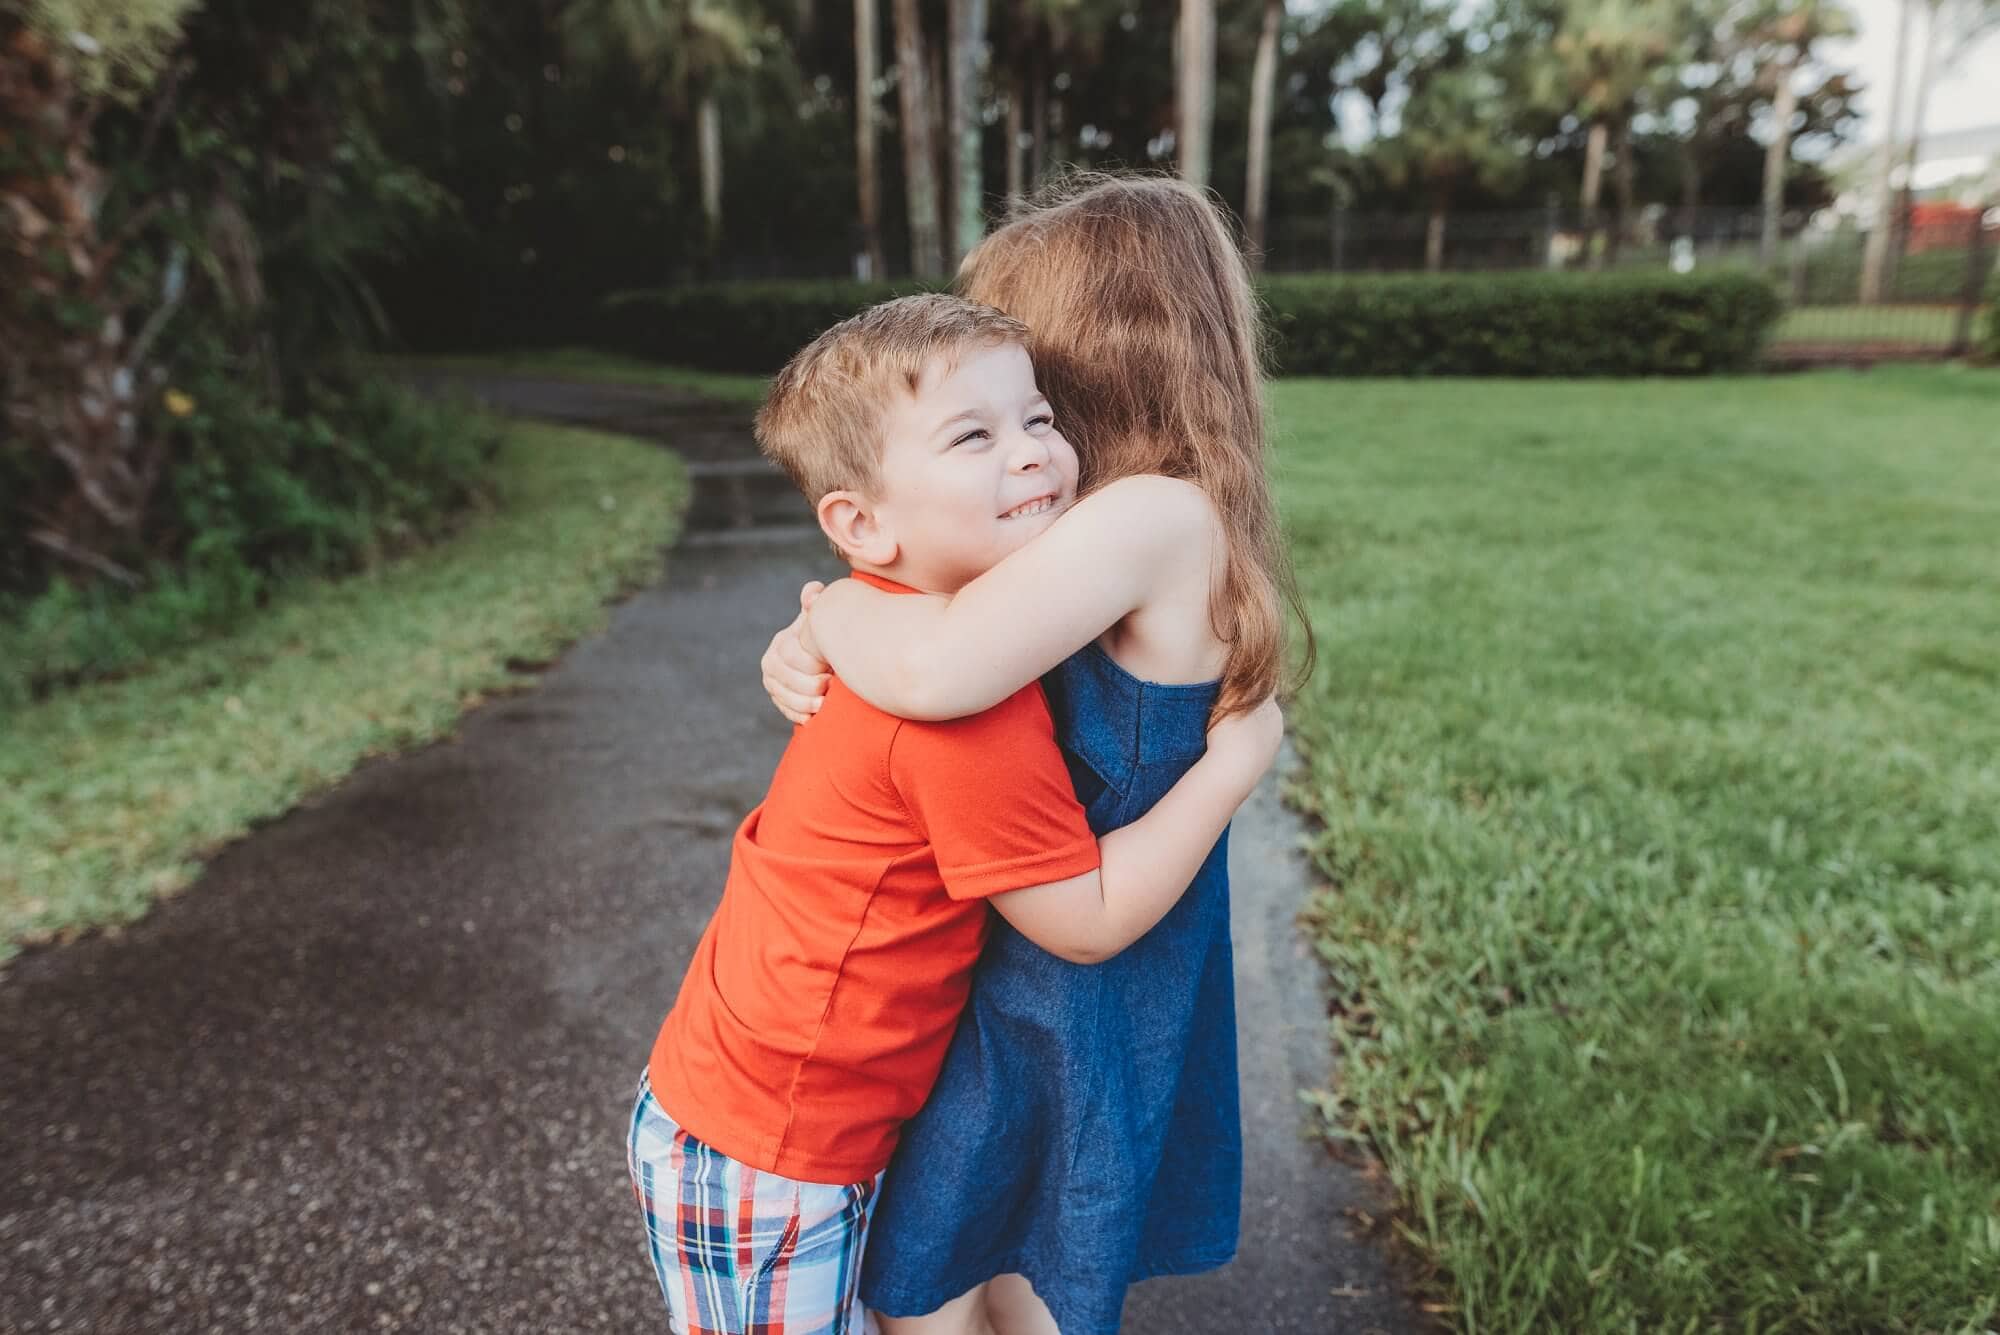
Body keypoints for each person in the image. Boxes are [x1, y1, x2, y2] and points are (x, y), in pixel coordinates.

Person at [629, 292, 1282, 1335]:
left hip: (778, 1110)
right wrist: (1232, 762)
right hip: (766, 1142)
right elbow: (1088, 917)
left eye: (1037, 418)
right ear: (860, 524)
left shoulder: (902, 626)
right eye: (973, 435)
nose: (1030, 453)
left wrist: (823, 614)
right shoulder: (961, 710)